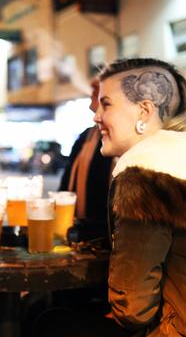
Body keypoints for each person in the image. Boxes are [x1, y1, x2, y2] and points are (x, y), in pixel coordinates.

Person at [36, 58, 186, 337]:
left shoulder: (144, 174)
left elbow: (133, 311)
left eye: (106, 104)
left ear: (144, 111)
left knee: (51, 322)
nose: (96, 116)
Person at [58, 77, 113, 246]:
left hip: (114, 243)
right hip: (83, 240)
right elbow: (66, 188)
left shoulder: (135, 145)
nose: (92, 86)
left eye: (103, 83)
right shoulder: (87, 137)